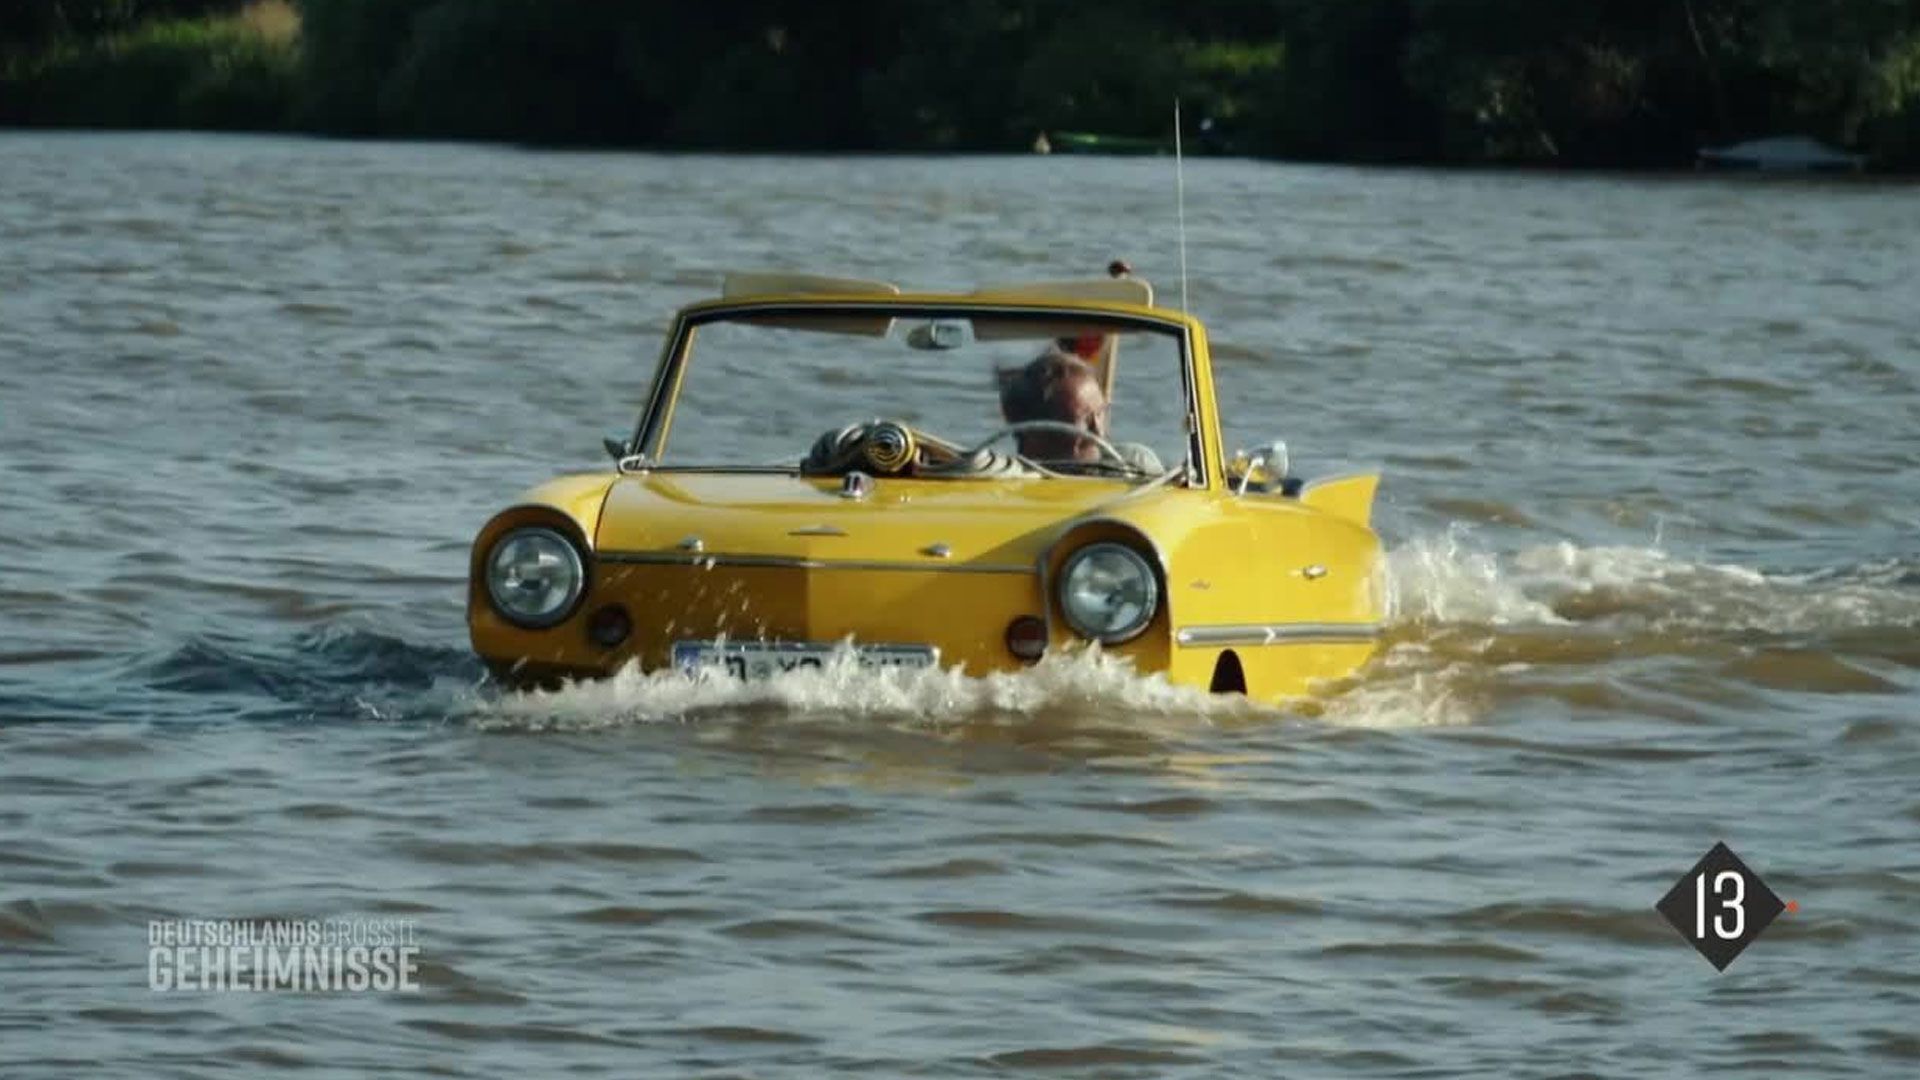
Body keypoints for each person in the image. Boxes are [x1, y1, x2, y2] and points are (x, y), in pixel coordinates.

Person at [996, 347, 1108, 464]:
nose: (1099, 433)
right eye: (1085, 419)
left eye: (1101, 413)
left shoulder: (1124, 472)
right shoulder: (993, 478)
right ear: (1033, 432)